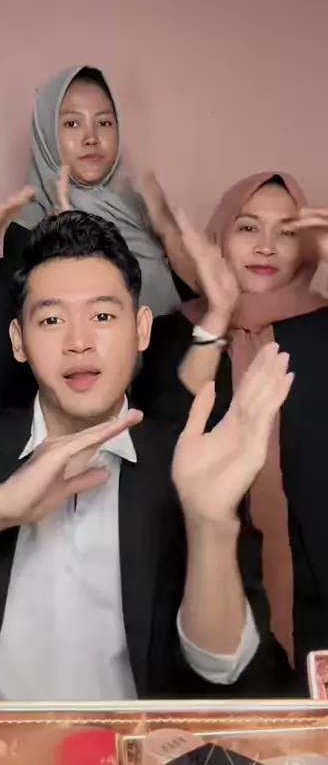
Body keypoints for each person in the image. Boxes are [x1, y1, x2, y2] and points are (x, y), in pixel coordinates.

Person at [0, 212, 290, 700]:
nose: (79, 343)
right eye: (52, 320)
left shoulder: (188, 463)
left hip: (137, 741)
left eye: (102, 317)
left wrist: (208, 525)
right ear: (19, 341)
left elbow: (223, 669)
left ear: (141, 329)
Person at [132, 171, 328, 686]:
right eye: (248, 227)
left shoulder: (322, 326)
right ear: (221, 235)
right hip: (207, 576)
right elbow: (167, 430)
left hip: (316, 575)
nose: (267, 246)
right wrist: (217, 317)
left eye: (287, 232)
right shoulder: (175, 331)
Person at [0, 64, 197, 414]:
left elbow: (193, 305)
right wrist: (67, 236)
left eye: (104, 123)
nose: (91, 138)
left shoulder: (140, 206)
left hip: (172, 398)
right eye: (72, 124)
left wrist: (166, 228)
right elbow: (26, 357)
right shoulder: (29, 228)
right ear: (47, 134)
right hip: (92, 411)